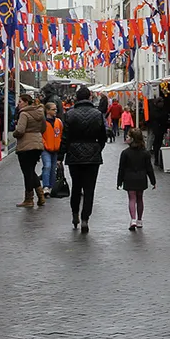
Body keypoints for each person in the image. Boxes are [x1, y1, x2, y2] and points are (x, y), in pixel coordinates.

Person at [61, 85, 107, 233]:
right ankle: (85, 218)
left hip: (74, 155)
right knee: (89, 189)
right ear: (89, 97)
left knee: (76, 186)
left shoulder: (69, 114)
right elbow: (103, 137)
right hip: (93, 155)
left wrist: (62, 155)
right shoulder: (98, 114)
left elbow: (65, 137)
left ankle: (75, 214)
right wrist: (97, 148)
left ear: (77, 98)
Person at [117, 128, 157, 231]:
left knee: (132, 198)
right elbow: (149, 168)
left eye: (128, 136)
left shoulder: (125, 153)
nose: (126, 138)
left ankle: (133, 219)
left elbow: (121, 168)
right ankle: (139, 220)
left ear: (133, 139)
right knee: (140, 198)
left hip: (129, 178)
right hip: (141, 178)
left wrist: (119, 181)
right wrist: (153, 181)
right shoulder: (145, 153)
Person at [13, 93, 46, 208]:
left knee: (27, 172)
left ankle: (29, 198)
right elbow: (44, 128)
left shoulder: (24, 114)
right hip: (37, 144)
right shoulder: (40, 113)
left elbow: (20, 130)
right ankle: (40, 195)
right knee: (31, 171)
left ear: (26, 102)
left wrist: (15, 133)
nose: (19, 104)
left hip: (25, 145)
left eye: (20, 102)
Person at [41, 102, 64, 196]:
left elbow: (61, 134)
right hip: (46, 148)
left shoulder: (58, 122)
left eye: (56, 109)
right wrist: (44, 144)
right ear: (47, 110)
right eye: (53, 109)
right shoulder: (43, 122)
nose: (55, 111)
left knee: (53, 168)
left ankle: (52, 186)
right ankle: (46, 186)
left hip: (56, 149)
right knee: (47, 166)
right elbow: (40, 135)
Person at [148, 97, 169, 167]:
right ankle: (158, 159)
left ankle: (158, 159)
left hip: (158, 129)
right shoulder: (159, 111)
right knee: (158, 144)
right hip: (158, 129)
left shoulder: (154, 110)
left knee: (157, 144)